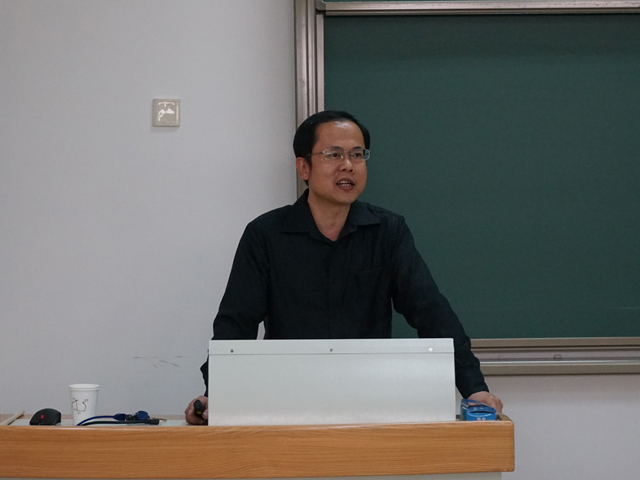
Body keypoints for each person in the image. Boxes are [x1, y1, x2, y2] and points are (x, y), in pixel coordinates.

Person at [185, 111, 502, 424]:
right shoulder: (265, 235)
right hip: (286, 400)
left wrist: (474, 387)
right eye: (333, 154)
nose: (348, 165)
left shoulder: (387, 232)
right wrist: (217, 393)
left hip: (371, 401)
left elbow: (431, 312)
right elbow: (236, 324)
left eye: (357, 155)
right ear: (303, 167)